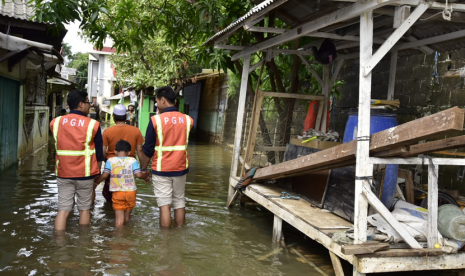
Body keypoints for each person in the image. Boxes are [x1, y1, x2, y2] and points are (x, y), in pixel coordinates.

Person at [50, 90, 104, 231]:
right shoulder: (93, 125)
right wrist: (97, 175)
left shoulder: (55, 122)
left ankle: (59, 243)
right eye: (87, 102)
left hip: (63, 173)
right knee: (84, 209)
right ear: (80, 104)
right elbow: (99, 154)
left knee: (63, 210)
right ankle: (83, 243)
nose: (89, 106)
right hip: (85, 174)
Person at [140, 86, 194, 228]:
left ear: (163, 100)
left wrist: (143, 169)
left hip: (161, 169)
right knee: (179, 202)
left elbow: (148, 149)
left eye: (157, 101)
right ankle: (179, 235)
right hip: (181, 168)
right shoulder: (188, 120)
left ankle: (165, 242)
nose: (157, 104)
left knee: (165, 206)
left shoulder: (155, 121)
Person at [94, 140, 148, 227]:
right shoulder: (132, 160)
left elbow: (104, 175)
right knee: (127, 218)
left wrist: (96, 182)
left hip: (117, 192)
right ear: (129, 152)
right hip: (131, 192)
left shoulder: (110, 161)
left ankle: (119, 237)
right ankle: (127, 234)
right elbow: (138, 174)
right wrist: (146, 177)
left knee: (119, 221)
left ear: (115, 151)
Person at [100, 104, 144, 203]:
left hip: (112, 167)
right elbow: (140, 151)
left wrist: (106, 161)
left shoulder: (107, 131)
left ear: (113, 117)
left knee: (110, 193)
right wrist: (143, 168)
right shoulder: (136, 131)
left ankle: (111, 213)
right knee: (127, 191)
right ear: (126, 117)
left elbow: (103, 152)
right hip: (129, 167)